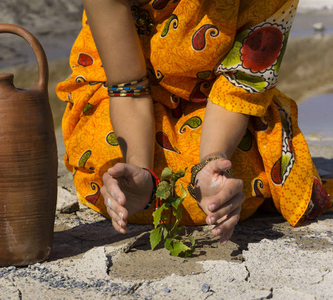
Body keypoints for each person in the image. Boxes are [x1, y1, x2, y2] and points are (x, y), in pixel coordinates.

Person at [56, 0, 332, 245]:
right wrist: (140, 169)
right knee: (111, 163)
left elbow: (236, 90)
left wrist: (211, 162)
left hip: (213, 100)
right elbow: (128, 88)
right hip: (126, 95)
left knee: (230, 182)